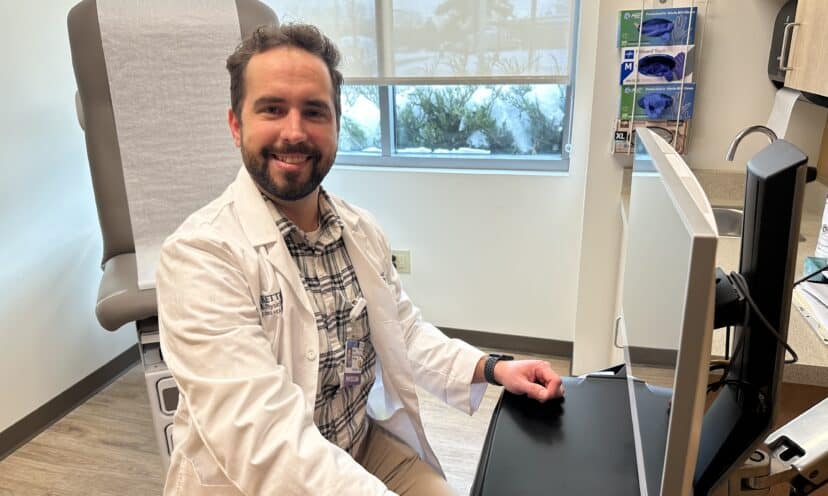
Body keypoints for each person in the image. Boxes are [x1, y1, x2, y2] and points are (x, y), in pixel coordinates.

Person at [156, 23, 565, 496]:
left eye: (314, 111)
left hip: (358, 446)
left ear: (336, 124)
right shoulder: (200, 257)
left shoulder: (359, 230)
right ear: (235, 125)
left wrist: (493, 368)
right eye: (272, 109)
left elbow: (403, 330)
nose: (294, 132)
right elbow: (267, 446)